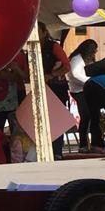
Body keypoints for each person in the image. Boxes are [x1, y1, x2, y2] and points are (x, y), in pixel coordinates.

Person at [39, 23, 71, 160]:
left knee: (55, 119)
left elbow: (67, 66)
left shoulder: (53, 46)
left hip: (56, 87)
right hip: (41, 88)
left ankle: (57, 150)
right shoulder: (32, 48)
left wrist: (52, 75)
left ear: (44, 32)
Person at [67, 39, 99, 152]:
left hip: (83, 90)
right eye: (93, 52)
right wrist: (89, 81)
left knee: (89, 116)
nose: (93, 54)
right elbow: (75, 74)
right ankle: (83, 144)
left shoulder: (82, 59)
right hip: (79, 91)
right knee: (85, 117)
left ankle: (90, 142)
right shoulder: (76, 59)